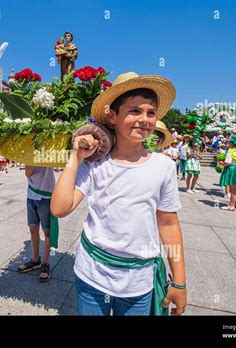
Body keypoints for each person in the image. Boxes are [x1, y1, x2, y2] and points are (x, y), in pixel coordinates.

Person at [51, 72, 186, 316]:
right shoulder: (95, 164)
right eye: (134, 111)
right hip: (91, 274)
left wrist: (179, 281)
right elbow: (59, 208)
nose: (144, 119)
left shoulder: (163, 166)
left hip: (139, 281)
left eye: (151, 112)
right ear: (113, 116)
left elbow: (168, 225)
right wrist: (76, 157)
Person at [18, 166, 56, 282]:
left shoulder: (49, 150)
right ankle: (35, 260)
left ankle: (45, 264)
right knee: (33, 229)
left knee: (47, 232)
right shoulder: (28, 152)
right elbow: (28, 173)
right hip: (31, 194)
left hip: (46, 195)